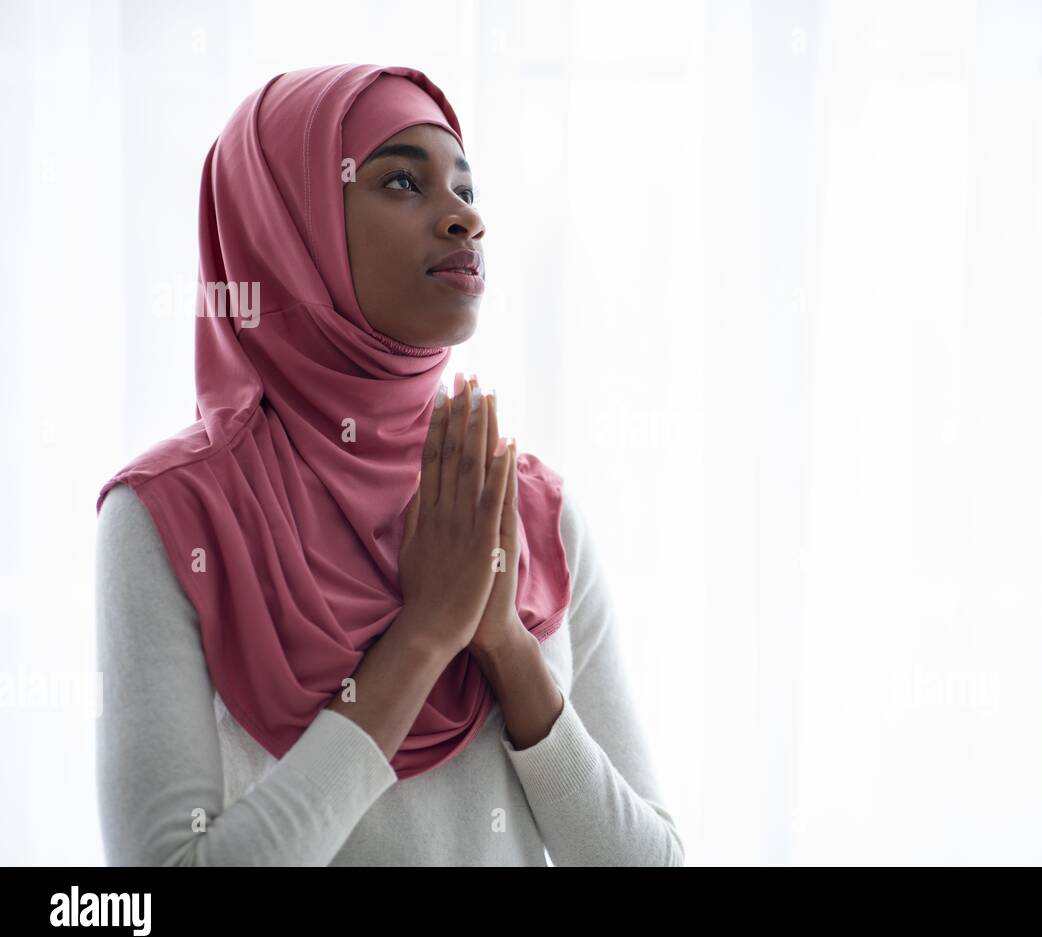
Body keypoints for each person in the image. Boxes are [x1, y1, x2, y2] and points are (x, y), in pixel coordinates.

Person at [94, 63, 684, 866]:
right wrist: (425, 634)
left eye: (467, 192)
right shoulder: (171, 515)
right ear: (284, 228)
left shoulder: (529, 507)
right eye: (402, 181)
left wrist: (506, 644)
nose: (463, 221)